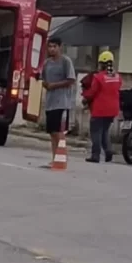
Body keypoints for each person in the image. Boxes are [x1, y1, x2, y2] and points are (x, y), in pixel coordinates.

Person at [40, 36, 76, 166]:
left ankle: (62, 157)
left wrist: (54, 85)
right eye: (50, 46)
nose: (52, 49)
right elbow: (43, 79)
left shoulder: (66, 61)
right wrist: (46, 84)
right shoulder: (47, 63)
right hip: (50, 102)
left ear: (60, 47)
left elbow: (71, 80)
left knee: (59, 132)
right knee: (52, 132)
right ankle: (54, 157)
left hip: (62, 102)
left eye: (54, 46)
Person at [82, 50, 121, 163]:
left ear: (102, 64)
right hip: (113, 109)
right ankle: (108, 151)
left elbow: (92, 92)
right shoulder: (117, 77)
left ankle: (96, 155)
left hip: (100, 109)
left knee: (96, 132)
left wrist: (85, 97)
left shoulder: (98, 77)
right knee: (104, 131)